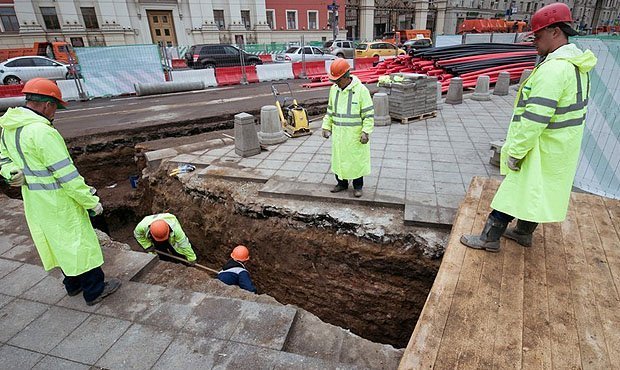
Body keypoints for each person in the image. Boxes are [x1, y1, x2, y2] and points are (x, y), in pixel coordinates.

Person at [460, 2, 597, 252]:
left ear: (556, 31)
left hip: (541, 144)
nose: (534, 40)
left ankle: (489, 238)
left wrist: (517, 151)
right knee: (538, 189)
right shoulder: (577, 66)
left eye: (538, 35)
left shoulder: (554, 70)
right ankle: (523, 232)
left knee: (515, 189)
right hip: (561, 146)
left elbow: (536, 117)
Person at [0, 78, 121, 306]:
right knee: (79, 241)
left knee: (58, 242)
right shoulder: (43, 133)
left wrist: (10, 172)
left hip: (35, 199)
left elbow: (3, 157)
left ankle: (73, 285)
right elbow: (67, 176)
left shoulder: (9, 126)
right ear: (46, 104)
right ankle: (95, 290)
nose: (55, 112)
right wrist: (90, 201)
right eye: (55, 106)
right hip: (59, 199)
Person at [322, 58, 374, 198]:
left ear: (346, 76)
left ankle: (358, 186)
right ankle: (342, 183)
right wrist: (326, 126)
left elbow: (368, 115)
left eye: (338, 80)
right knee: (339, 160)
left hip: (354, 136)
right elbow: (330, 111)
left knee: (356, 161)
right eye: (334, 80)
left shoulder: (361, 91)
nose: (336, 83)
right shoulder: (334, 90)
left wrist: (366, 132)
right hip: (339, 135)